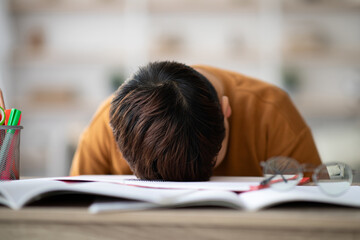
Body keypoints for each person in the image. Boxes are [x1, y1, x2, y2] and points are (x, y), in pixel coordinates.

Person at [70, 61, 322, 181]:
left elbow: (316, 213)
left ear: (226, 110)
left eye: (210, 165)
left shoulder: (273, 115)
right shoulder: (107, 123)